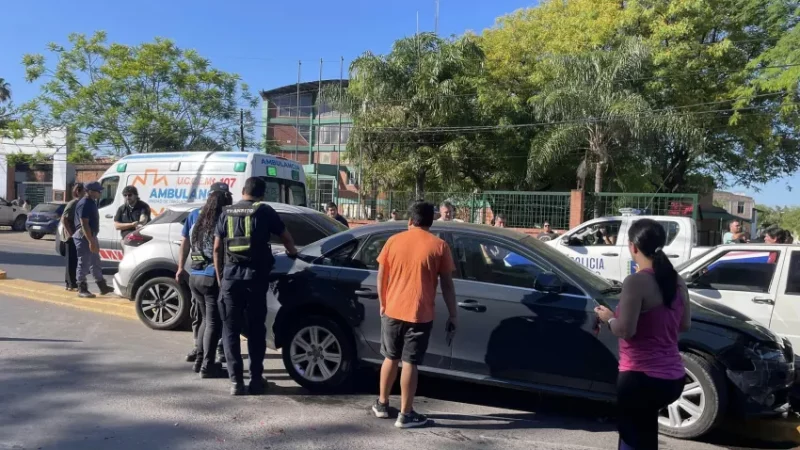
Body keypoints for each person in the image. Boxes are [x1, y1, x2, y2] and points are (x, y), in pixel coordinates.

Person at [594, 218, 691, 450]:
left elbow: (625, 330)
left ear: (633, 247)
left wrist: (608, 319)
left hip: (640, 378)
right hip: (673, 378)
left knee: (632, 437)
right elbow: (684, 324)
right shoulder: (677, 281)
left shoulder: (636, 282)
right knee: (645, 433)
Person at [372, 201, 458, 429]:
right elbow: (448, 285)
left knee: (390, 357)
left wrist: (383, 303)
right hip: (420, 313)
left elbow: (381, 276)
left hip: (392, 309)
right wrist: (453, 313)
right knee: (410, 362)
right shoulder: (439, 246)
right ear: (431, 221)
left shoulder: (393, 241)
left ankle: (382, 404)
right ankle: (406, 414)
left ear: (410, 220)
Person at [213, 177, 299, 395]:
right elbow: (287, 239)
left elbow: (216, 249)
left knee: (230, 330)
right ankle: (255, 379)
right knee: (255, 329)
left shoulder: (226, 212)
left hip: (231, 279)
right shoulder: (265, 210)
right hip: (256, 279)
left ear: (243, 191)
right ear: (262, 195)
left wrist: (220, 278)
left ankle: (235, 382)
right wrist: (293, 255)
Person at [177, 182, 232, 377]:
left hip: (195, 275)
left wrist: (180, 267)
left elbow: (184, 242)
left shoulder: (194, 215)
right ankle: (208, 366)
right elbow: (220, 249)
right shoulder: (223, 217)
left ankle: (200, 361)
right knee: (213, 323)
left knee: (204, 321)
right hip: (211, 276)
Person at [74, 182, 114, 298]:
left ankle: (102, 286)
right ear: (90, 191)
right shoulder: (85, 203)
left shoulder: (91, 202)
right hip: (84, 237)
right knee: (84, 262)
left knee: (95, 262)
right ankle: (81, 288)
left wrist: (92, 239)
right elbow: (84, 224)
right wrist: (91, 241)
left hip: (91, 236)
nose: (100, 193)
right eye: (98, 191)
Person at [61, 183, 85, 291]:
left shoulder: (80, 203)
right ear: (77, 192)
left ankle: (72, 283)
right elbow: (64, 219)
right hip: (70, 237)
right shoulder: (72, 203)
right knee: (71, 261)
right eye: (83, 191)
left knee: (75, 260)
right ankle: (71, 284)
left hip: (77, 235)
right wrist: (71, 234)